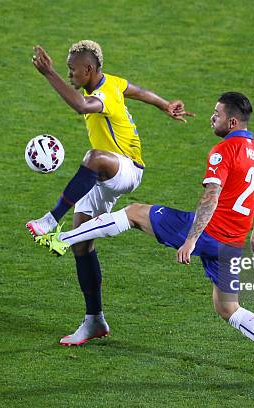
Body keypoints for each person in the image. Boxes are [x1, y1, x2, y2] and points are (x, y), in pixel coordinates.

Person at [37, 92, 254, 381]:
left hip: (208, 232)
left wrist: (191, 239)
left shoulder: (223, 151)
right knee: (228, 308)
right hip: (232, 243)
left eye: (218, 113)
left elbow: (211, 197)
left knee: (135, 213)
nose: (213, 116)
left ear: (233, 121)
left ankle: (65, 238)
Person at [26, 40, 194, 346]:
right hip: (105, 176)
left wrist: (48, 74)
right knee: (81, 245)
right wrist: (165, 104)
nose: (69, 74)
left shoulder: (103, 95)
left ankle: (51, 221)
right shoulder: (111, 82)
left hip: (127, 169)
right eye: (65, 70)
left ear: (89, 69)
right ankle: (94, 321)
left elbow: (79, 106)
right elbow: (139, 91)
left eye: (72, 70)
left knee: (93, 157)